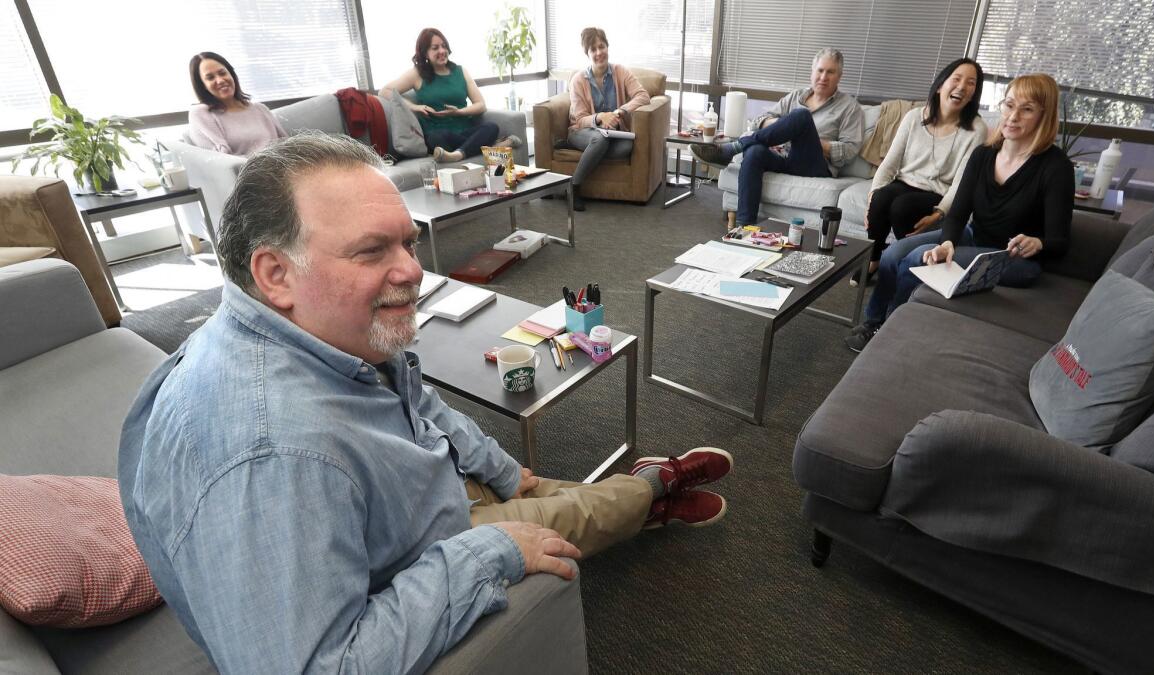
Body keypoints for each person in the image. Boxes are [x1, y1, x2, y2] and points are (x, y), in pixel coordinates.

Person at [118, 132, 732, 673]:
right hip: (420, 546)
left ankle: (637, 497)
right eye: (371, 251)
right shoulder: (272, 459)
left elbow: (416, 398)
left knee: (544, 488)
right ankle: (655, 491)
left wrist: (493, 464)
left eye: (407, 243)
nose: (413, 270)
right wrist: (487, 553)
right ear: (275, 274)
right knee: (576, 515)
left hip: (410, 488)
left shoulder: (302, 328)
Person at [845, 73, 1075, 353]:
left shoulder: (1056, 167)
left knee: (916, 260)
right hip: (974, 236)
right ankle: (872, 321)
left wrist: (1038, 243)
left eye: (1026, 109)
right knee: (893, 253)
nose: (1013, 116)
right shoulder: (983, 156)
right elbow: (957, 213)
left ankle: (888, 331)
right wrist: (948, 243)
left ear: (1044, 115)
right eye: (1009, 105)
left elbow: (1059, 243)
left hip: (1011, 259)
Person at [691, 48, 865, 227]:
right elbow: (758, 121)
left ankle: (734, 148)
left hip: (815, 165)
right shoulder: (796, 96)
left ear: (839, 76)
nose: (823, 77)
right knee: (755, 151)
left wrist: (807, 137)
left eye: (830, 72)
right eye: (820, 70)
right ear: (812, 72)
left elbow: (849, 150)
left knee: (802, 117)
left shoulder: (850, 108)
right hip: (784, 157)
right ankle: (745, 227)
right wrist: (784, 128)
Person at [860, 58, 989, 282]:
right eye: (956, 79)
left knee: (902, 207)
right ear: (940, 86)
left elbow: (961, 183)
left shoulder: (976, 129)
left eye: (971, 83)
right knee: (881, 198)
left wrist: (939, 213)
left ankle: (903, 258)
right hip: (905, 182)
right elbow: (889, 163)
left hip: (937, 191)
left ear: (973, 94)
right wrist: (872, 195)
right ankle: (875, 259)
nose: (962, 87)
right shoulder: (914, 117)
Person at [379, 28, 520, 163]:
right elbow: (385, 90)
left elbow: (481, 105)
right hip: (439, 135)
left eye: (443, 46)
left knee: (491, 127)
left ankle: (457, 155)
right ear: (425, 53)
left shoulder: (460, 71)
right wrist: (414, 107)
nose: (441, 51)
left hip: (465, 132)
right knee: (436, 138)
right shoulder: (417, 74)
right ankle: (487, 146)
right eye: (435, 48)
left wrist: (459, 112)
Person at [566, 27, 651, 212]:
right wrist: (599, 118)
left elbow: (643, 96)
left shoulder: (620, 71)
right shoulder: (578, 80)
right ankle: (574, 186)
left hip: (611, 135)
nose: (599, 53)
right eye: (593, 50)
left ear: (607, 46)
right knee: (600, 138)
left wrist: (620, 111)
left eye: (601, 46)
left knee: (627, 146)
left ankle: (592, 150)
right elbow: (579, 120)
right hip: (581, 132)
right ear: (587, 54)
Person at [187, 51, 287, 156]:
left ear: (231, 74)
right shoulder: (201, 113)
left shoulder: (260, 108)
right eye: (210, 78)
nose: (220, 80)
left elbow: (288, 145)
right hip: (249, 171)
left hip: (284, 167)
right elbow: (221, 160)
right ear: (202, 85)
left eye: (222, 73)